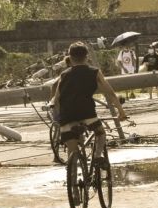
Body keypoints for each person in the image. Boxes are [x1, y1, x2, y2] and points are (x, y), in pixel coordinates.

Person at [53, 42, 128, 170]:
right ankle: (97, 156)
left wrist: (61, 117)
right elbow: (110, 93)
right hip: (87, 112)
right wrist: (121, 111)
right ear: (87, 57)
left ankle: (72, 173)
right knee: (100, 133)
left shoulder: (63, 75)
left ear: (70, 58)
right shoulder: (95, 72)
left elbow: (56, 101)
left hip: (67, 114)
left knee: (71, 141)